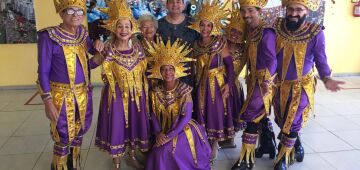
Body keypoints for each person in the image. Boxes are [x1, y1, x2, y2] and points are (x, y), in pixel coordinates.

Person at [273, 1, 345, 169]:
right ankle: (297, 143)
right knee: (283, 118)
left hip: (301, 86)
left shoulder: (316, 32)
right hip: (279, 85)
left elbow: (321, 59)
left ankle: (282, 158)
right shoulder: (276, 28)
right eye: (290, 9)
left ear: (306, 11)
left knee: (292, 120)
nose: (293, 13)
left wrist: (327, 78)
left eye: (298, 9)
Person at [36, 0, 103, 169]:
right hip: (61, 96)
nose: (76, 15)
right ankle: (59, 166)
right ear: (61, 13)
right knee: (63, 136)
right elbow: (43, 72)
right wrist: (48, 101)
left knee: (79, 133)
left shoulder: (82, 33)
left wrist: (99, 50)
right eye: (70, 11)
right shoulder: (49, 36)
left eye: (79, 11)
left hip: (83, 94)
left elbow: (89, 63)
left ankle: (73, 165)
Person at [94, 0, 151, 169]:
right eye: (120, 26)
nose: (124, 30)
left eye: (127, 26)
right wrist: (96, 49)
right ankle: (116, 160)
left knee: (134, 123)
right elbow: (91, 65)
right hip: (116, 96)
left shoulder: (139, 49)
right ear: (114, 28)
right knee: (117, 125)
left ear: (132, 28)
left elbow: (145, 70)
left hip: (136, 94)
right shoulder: (108, 49)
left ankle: (132, 155)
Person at [145, 38, 211, 170]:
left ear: (177, 70)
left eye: (171, 69)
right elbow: (152, 114)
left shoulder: (185, 90)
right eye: (164, 69)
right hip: (163, 131)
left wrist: (169, 137)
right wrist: (158, 133)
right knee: (157, 154)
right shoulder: (155, 92)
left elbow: (186, 117)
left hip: (183, 130)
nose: (168, 72)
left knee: (166, 152)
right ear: (159, 71)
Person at [231, 0, 278, 169]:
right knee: (260, 114)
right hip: (253, 80)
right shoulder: (251, 31)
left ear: (259, 10)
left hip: (264, 82)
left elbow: (272, 60)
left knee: (251, 114)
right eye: (243, 11)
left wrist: (266, 82)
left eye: (250, 10)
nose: (246, 14)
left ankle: (246, 160)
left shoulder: (266, 32)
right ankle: (267, 144)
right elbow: (246, 57)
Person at [189, 0, 236, 164]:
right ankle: (205, 143)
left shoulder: (220, 42)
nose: (205, 29)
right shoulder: (195, 44)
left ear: (214, 26)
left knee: (215, 113)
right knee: (203, 113)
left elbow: (230, 65)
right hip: (201, 84)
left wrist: (229, 84)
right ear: (198, 25)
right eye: (203, 25)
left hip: (217, 84)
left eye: (209, 26)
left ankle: (215, 144)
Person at [219, 3, 246, 149]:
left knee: (232, 111)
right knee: (220, 111)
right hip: (217, 83)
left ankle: (230, 138)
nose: (235, 34)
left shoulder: (245, 49)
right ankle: (219, 136)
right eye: (233, 30)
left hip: (233, 85)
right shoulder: (221, 44)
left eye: (239, 32)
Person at [157, 0, 200, 87]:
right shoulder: (158, 25)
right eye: (172, 2)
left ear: (183, 5)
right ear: (167, 5)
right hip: (166, 75)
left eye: (178, 2)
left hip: (188, 73)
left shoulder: (194, 24)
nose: (175, 4)